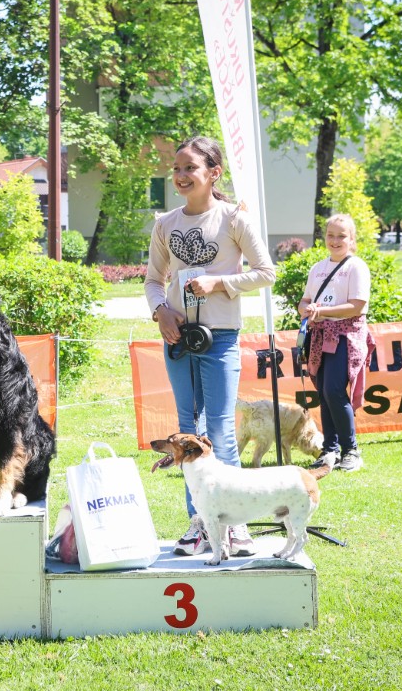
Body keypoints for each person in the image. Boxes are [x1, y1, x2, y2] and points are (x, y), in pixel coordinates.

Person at [144, 135, 276, 557]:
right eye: (177, 168)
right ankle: (199, 524)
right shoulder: (165, 223)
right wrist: (161, 311)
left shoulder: (234, 218)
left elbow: (266, 272)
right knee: (186, 429)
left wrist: (219, 282)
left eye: (190, 168)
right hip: (178, 340)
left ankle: (234, 526)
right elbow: (153, 280)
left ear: (213, 173)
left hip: (220, 338)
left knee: (219, 430)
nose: (181, 175)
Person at [299, 213, 375, 473]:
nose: (335, 240)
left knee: (333, 391)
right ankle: (329, 450)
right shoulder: (317, 268)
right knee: (323, 392)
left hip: (346, 335)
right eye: (330, 235)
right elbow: (304, 300)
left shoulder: (356, 267)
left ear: (352, 239)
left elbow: (357, 306)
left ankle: (351, 450)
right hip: (319, 336)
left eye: (341, 236)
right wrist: (308, 310)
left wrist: (323, 312)